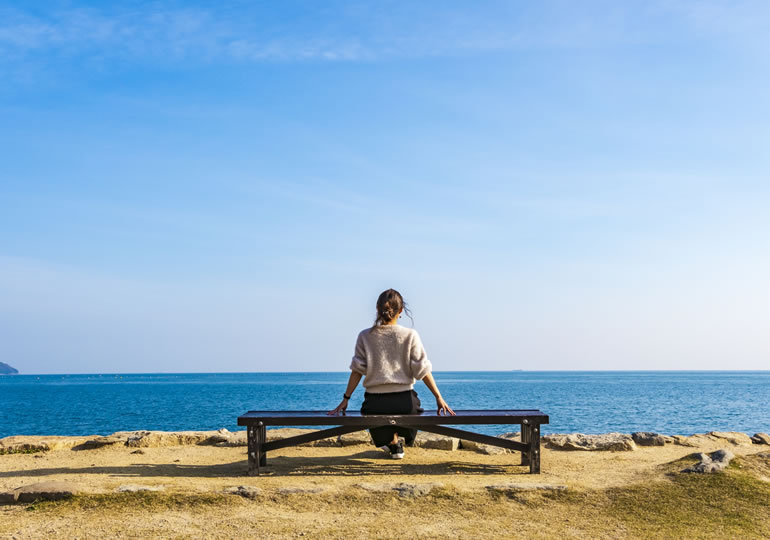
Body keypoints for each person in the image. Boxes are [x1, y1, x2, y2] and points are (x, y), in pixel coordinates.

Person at [328, 288, 454, 459]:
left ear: (377, 308)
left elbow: (357, 371)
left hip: (375, 404)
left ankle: (392, 442)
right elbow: (423, 370)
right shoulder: (410, 335)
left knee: (376, 421)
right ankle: (396, 442)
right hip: (406, 404)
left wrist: (346, 399)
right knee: (413, 414)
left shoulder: (365, 336)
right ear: (401, 310)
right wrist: (438, 397)